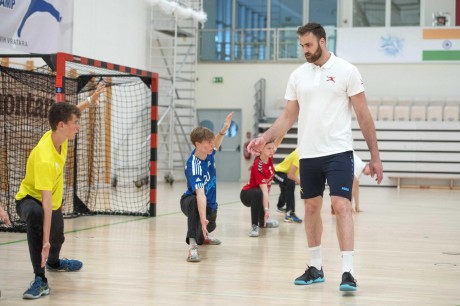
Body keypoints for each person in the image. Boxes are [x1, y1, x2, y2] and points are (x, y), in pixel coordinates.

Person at [246, 23, 383, 292]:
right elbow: (288, 116)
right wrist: (266, 138)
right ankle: (315, 267)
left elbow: (364, 115)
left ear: (322, 41)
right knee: (310, 208)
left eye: (308, 45)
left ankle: (348, 272)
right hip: (308, 154)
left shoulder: (347, 71)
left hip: (338, 152)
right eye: (301, 46)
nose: (304, 50)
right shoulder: (298, 75)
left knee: (341, 205)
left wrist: (374, 156)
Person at [15, 82, 105, 299]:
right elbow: (44, 202)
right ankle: (40, 279)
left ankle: (54, 262)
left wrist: (90, 100)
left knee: (58, 238)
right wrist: (43, 241)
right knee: (39, 221)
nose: (78, 126)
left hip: (51, 200)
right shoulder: (44, 156)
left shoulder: (60, 136)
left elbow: (72, 111)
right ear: (62, 125)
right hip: (30, 199)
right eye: (75, 123)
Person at [180, 112, 234, 262]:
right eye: (208, 143)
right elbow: (200, 194)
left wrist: (224, 129)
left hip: (210, 205)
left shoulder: (208, 153)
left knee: (208, 228)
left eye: (212, 142)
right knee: (194, 204)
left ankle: (205, 236)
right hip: (192, 200)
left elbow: (216, 143)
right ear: (198, 144)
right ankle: (192, 248)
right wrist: (203, 219)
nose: (213, 145)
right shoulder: (194, 165)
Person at [240, 135, 284, 237]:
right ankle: (254, 226)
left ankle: (263, 222)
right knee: (259, 193)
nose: (272, 150)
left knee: (262, 196)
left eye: (273, 148)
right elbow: (264, 190)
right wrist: (266, 210)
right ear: (261, 149)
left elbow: (279, 138)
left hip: (259, 193)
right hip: (247, 195)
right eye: (269, 148)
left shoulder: (269, 156)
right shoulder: (258, 166)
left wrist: (284, 128)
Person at [273, 148, 302, 223]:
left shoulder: (303, 152)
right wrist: (302, 184)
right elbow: (290, 175)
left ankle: (281, 206)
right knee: (290, 182)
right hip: (277, 173)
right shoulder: (299, 154)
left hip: (284, 173)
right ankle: (290, 213)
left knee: (286, 187)